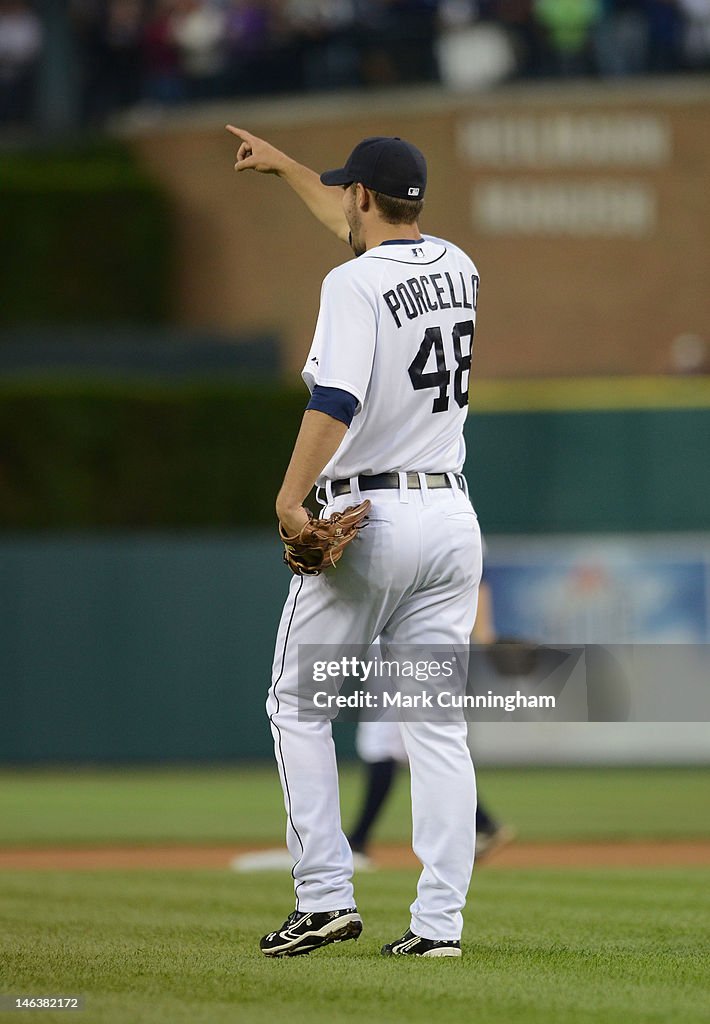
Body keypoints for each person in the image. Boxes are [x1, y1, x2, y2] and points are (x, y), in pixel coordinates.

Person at [228, 126, 482, 958]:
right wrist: (286, 169)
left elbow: (333, 400)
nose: (341, 199)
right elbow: (368, 239)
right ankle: (439, 927)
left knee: (297, 708)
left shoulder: (351, 284)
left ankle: (325, 898)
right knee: (436, 729)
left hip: (369, 520)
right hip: (451, 519)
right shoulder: (459, 265)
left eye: (347, 189)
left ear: (363, 197)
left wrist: (289, 499)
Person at [349, 577, 516, 865]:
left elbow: (479, 580)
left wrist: (486, 633)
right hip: (424, 638)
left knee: (385, 743)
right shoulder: (454, 533)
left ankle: (358, 841)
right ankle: (482, 823)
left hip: (407, 637)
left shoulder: (420, 533)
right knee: (414, 744)